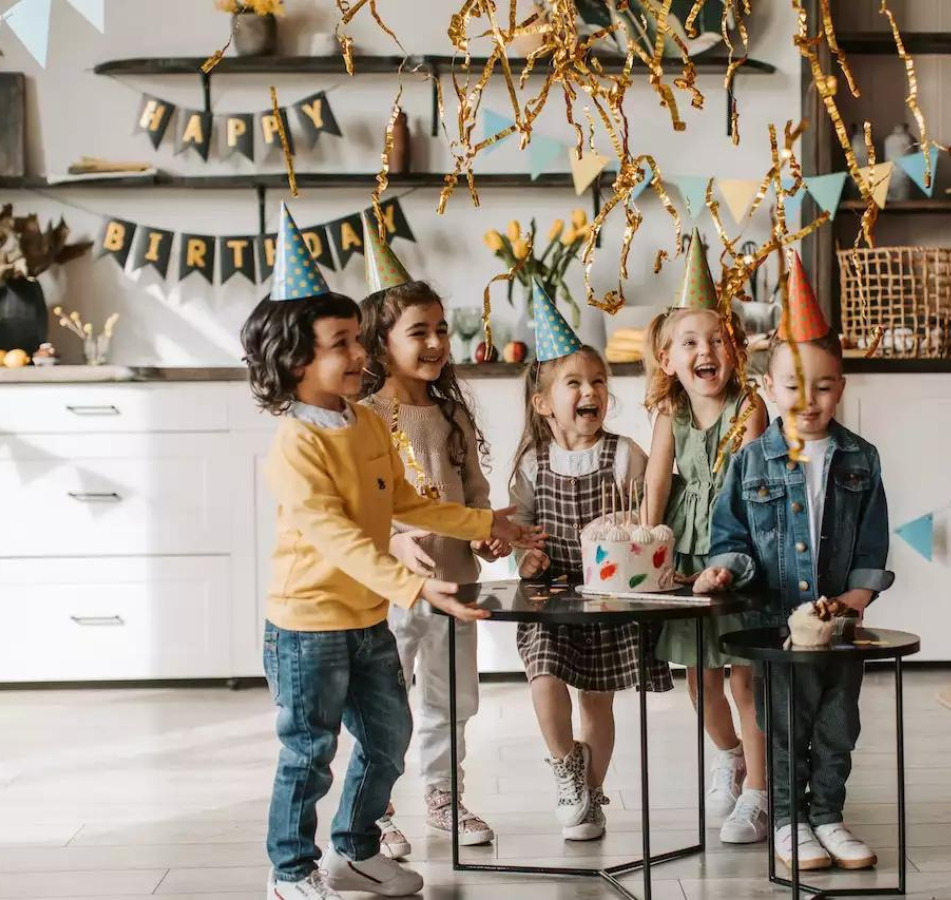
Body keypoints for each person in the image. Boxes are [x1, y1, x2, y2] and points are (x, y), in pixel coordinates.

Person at [245, 203, 541, 900]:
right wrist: (415, 588)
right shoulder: (298, 443)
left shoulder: (359, 422)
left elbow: (403, 499)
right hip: (308, 626)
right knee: (309, 752)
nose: (359, 355)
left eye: (358, 340)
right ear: (295, 360)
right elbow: (336, 534)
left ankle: (354, 850)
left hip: (363, 619)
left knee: (389, 735)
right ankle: (290, 870)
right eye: (343, 343)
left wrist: (480, 523)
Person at [693, 251, 893, 873]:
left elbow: (870, 545)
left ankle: (827, 814)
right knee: (781, 726)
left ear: (843, 385)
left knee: (838, 724)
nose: (809, 399)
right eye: (793, 386)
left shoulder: (861, 459)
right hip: (778, 628)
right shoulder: (751, 461)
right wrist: (726, 568)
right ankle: (786, 820)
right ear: (769, 388)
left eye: (824, 385)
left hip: (839, 631)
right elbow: (731, 534)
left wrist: (854, 602)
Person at [357, 230, 505, 852]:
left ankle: (445, 796)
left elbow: (473, 494)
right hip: (389, 587)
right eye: (419, 331)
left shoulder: (453, 416)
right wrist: (392, 540)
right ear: (380, 343)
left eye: (441, 328)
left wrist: (491, 533)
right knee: (384, 701)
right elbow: (360, 504)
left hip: (456, 580)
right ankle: (376, 809)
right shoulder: (361, 418)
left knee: (454, 696)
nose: (438, 342)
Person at [510, 281, 673, 842]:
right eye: (574, 383)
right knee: (543, 675)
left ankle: (592, 794)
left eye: (598, 382)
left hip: (609, 595)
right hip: (553, 596)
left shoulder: (625, 454)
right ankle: (565, 769)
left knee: (597, 701)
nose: (590, 391)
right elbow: (520, 531)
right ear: (543, 402)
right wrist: (525, 557)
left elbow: (647, 516)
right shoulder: (533, 463)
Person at [643, 228, 770, 844]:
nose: (706, 350)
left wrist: (734, 555)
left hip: (738, 553)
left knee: (744, 674)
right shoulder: (670, 413)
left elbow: (747, 488)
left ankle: (758, 793)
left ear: (735, 351)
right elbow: (656, 484)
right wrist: (646, 545)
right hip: (684, 556)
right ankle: (730, 757)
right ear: (668, 359)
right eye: (690, 341)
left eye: (717, 340)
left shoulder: (751, 409)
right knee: (697, 676)